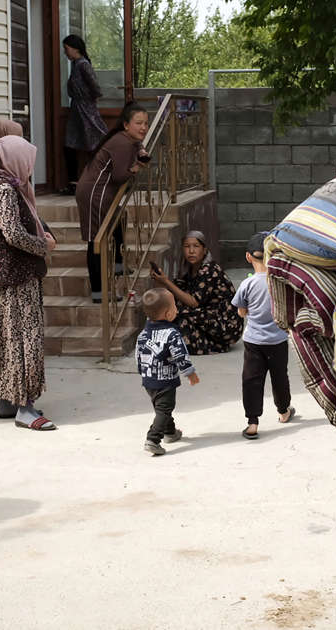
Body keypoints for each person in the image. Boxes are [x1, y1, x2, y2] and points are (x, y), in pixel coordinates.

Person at [0, 134, 58, 431]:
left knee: (8, 340)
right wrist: (42, 245)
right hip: (15, 277)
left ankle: (7, 400)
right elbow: (12, 233)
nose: (30, 167)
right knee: (25, 340)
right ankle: (25, 408)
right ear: (15, 160)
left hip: (3, 275)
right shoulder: (5, 189)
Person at [75, 101, 149, 303]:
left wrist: (141, 150)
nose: (143, 128)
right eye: (138, 123)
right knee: (96, 240)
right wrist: (137, 168)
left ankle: (118, 264)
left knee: (119, 220)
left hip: (102, 192)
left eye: (146, 124)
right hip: (94, 193)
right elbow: (119, 176)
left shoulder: (126, 139)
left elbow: (137, 145)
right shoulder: (122, 142)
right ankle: (99, 292)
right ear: (126, 125)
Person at [231, 232, 295, 439]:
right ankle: (284, 411)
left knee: (251, 380)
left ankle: (252, 423)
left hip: (253, 341)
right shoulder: (281, 281)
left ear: (249, 257)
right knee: (280, 377)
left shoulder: (247, 284)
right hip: (278, 339)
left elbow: (241, 311)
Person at [151, 231, 243, 355]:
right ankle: (206, 343)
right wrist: (159, 280)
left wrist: (166, 281)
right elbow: (173, 293)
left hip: (227, 324)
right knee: (171, 309)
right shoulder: (188, 269)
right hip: (208, 318)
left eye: (196, 246)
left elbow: (194, 302)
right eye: (187, 246)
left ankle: (215, 344)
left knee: (178, 314)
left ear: (204, 250)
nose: (191, 251)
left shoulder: (209, 270)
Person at [136, 287, 199, 455]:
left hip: (148, 380)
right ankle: (152, 439)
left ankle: (170, 432)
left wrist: (142, 372)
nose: (177, 309)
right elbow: (180, 355)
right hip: (165, 380)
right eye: (174, 307)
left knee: (162, 408)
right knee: (164, 409)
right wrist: (190, 373)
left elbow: (139, 355)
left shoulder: (142, 334)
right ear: (168, 314)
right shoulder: (171, 334)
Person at [60, 34, 110, 194]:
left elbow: (95, 87)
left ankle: (105, 179)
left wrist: (88, 101)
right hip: (77, 111)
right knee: (70, 145)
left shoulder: (83, 65)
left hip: (85, 110)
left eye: (66, 49)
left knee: (96, 143)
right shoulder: (76, 65)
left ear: (75, 49)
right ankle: (74, 183)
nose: (65, 52)